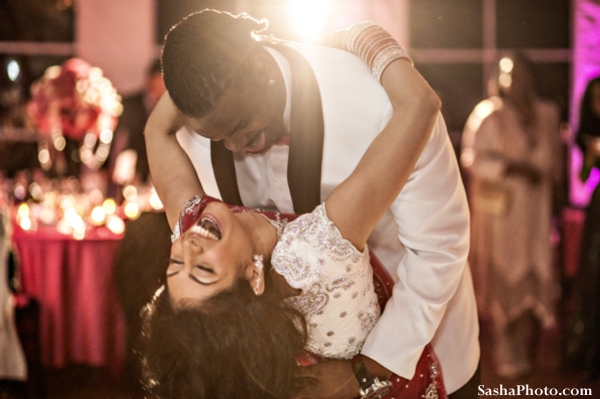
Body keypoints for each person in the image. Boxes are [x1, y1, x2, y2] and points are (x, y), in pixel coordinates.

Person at [158, 10, 480, 398]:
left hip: (418, 346)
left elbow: (438, 249)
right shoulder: (197, 128)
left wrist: (366, 371)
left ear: (261, 69)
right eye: (216, 138)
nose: (235, 147)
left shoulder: (378, 102)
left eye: (242, 126)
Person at [461, 52, 562, 378]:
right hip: (504, 213)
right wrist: (513, 167)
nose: (516, 80)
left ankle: (526, 345)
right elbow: (473, 159)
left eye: (521, 73)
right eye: (509, 74)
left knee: (536, 275)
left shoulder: (547, 113)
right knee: (506, 275)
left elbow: (555, 162)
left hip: (536, 210)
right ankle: (506, 348)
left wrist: (548, 182)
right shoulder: (489, 115)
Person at [564, 76, 600, 378]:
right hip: (599, 206)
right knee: (592, 276)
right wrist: (592, 156)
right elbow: (585, 177)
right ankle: (589, 353)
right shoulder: (590, 136)